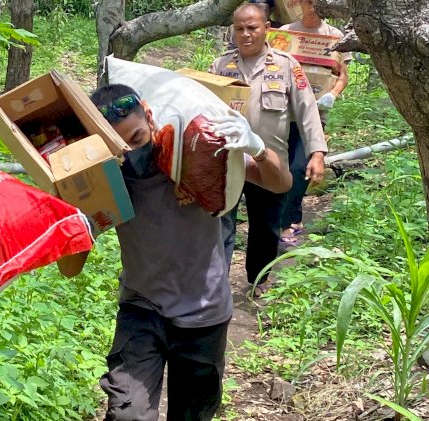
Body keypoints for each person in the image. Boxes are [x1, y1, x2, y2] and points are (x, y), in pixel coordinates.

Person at [80, 84, 291, 420]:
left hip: (204, 313)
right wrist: (78, 217)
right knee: (127, 415)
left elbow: (280, 183)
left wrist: (258, 148)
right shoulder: (110, 180)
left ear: (149, 117)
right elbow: (70, 267)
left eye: (135, 139)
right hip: (142, 310)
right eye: (117, 148)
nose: (130, 152)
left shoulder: (195, 153)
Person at [209, 3, 328, 297]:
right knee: (221, 221)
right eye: (240, 29)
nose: (246, 34)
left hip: (269, 165)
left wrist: (317, 154)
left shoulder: (287, 66)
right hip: (228, 162)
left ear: (266, 28)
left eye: (253, 28)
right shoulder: (220, 67)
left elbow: (307, 111)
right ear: (233, 31)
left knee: (266, 225)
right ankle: (217, 285)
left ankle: (258, 282)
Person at [278, 0, 351, 244]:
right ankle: (278, 218)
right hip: (282, 113)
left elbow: (342, 76)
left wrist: (333, 94)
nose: (312, 7)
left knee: (300, 167)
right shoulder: (287, 32)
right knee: (282, 165)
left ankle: (292, 220)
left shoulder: (335, 36)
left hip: (316, 115)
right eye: (308, 1)